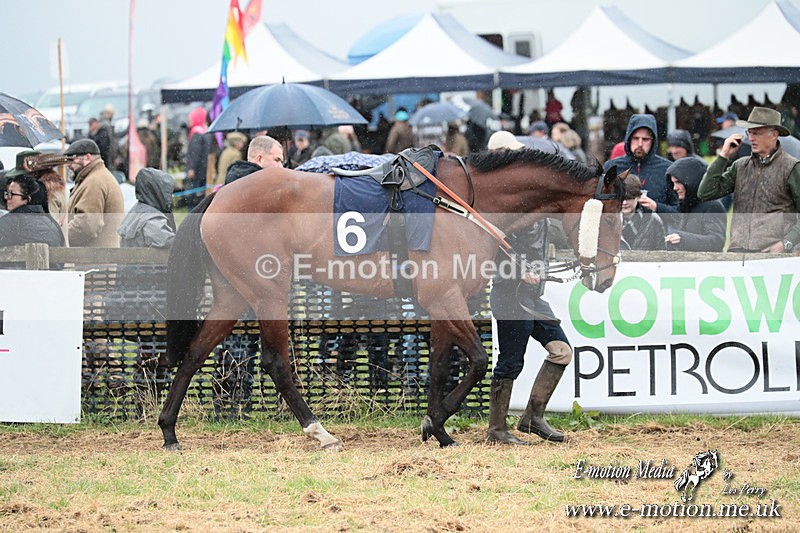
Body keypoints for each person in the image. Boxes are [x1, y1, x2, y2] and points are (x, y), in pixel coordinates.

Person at [484, 132, 572, 445]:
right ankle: (496, 430)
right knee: (510, 362)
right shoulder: (498, 198)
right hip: (509, 293)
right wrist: (521, 269)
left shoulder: (526, 194)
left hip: (533, 296)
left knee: (561, 352)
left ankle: (533, 418)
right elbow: (494, 242)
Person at [698, 107, 800, 253]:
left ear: (774, 134)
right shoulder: (740, 166)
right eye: (749, 133)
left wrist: (786, 243)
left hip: (773, 256)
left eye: (757, 133)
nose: (751, 138)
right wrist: (723, 156)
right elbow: (705, 193)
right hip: (738, 252)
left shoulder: (791, 167)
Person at [604, 113, 678, 215]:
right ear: (628, 139)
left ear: (653, 141)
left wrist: (656, 207)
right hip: (619, 228)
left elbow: (679, 213)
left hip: (657, 229)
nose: (640, 144)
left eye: (645, 139)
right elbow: (600, 205)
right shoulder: (612, 167)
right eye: (635, 138)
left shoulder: (668, 169)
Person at [65, 138, 125, 247]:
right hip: (98, 259)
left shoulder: (94, 182)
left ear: (88, 157)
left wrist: (60, 237)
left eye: (71, 159)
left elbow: (87, 226)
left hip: (94, 260)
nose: (68, 165)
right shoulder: (93, 177)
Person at [662, 158, 726, 252]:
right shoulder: (688, 204)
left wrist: (682, 238)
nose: (675, 188)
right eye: (673, 183)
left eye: (678, 182)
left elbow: (716, 241)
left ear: (692, 181)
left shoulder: (711, 205)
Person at [0, 174, 65, 249]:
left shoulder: (7, 222)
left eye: (11, 194)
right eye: (7, 193)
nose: (7, 197)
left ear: (27, 199)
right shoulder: (52, 223)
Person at [117, 168, 176, 248]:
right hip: (144, 259)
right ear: (157, 193)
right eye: (168, 193)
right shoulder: (152, 219)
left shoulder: (137, 210)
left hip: (133, 259)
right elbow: (169, 243)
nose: (171, 197)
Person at [620, 173, 666, 250]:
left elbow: (661, 251)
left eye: (629, 198)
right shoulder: (606, 220)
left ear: (638, 197)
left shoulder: (653, 219)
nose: (624, 203)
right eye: (621, 198)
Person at [185, 106, 215, 208]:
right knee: (201, 196)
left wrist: (191, 168)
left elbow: (194, 153)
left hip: (196, 171)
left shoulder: (196, 133)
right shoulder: (206, 131)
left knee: (193, 197)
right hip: (203, 170)